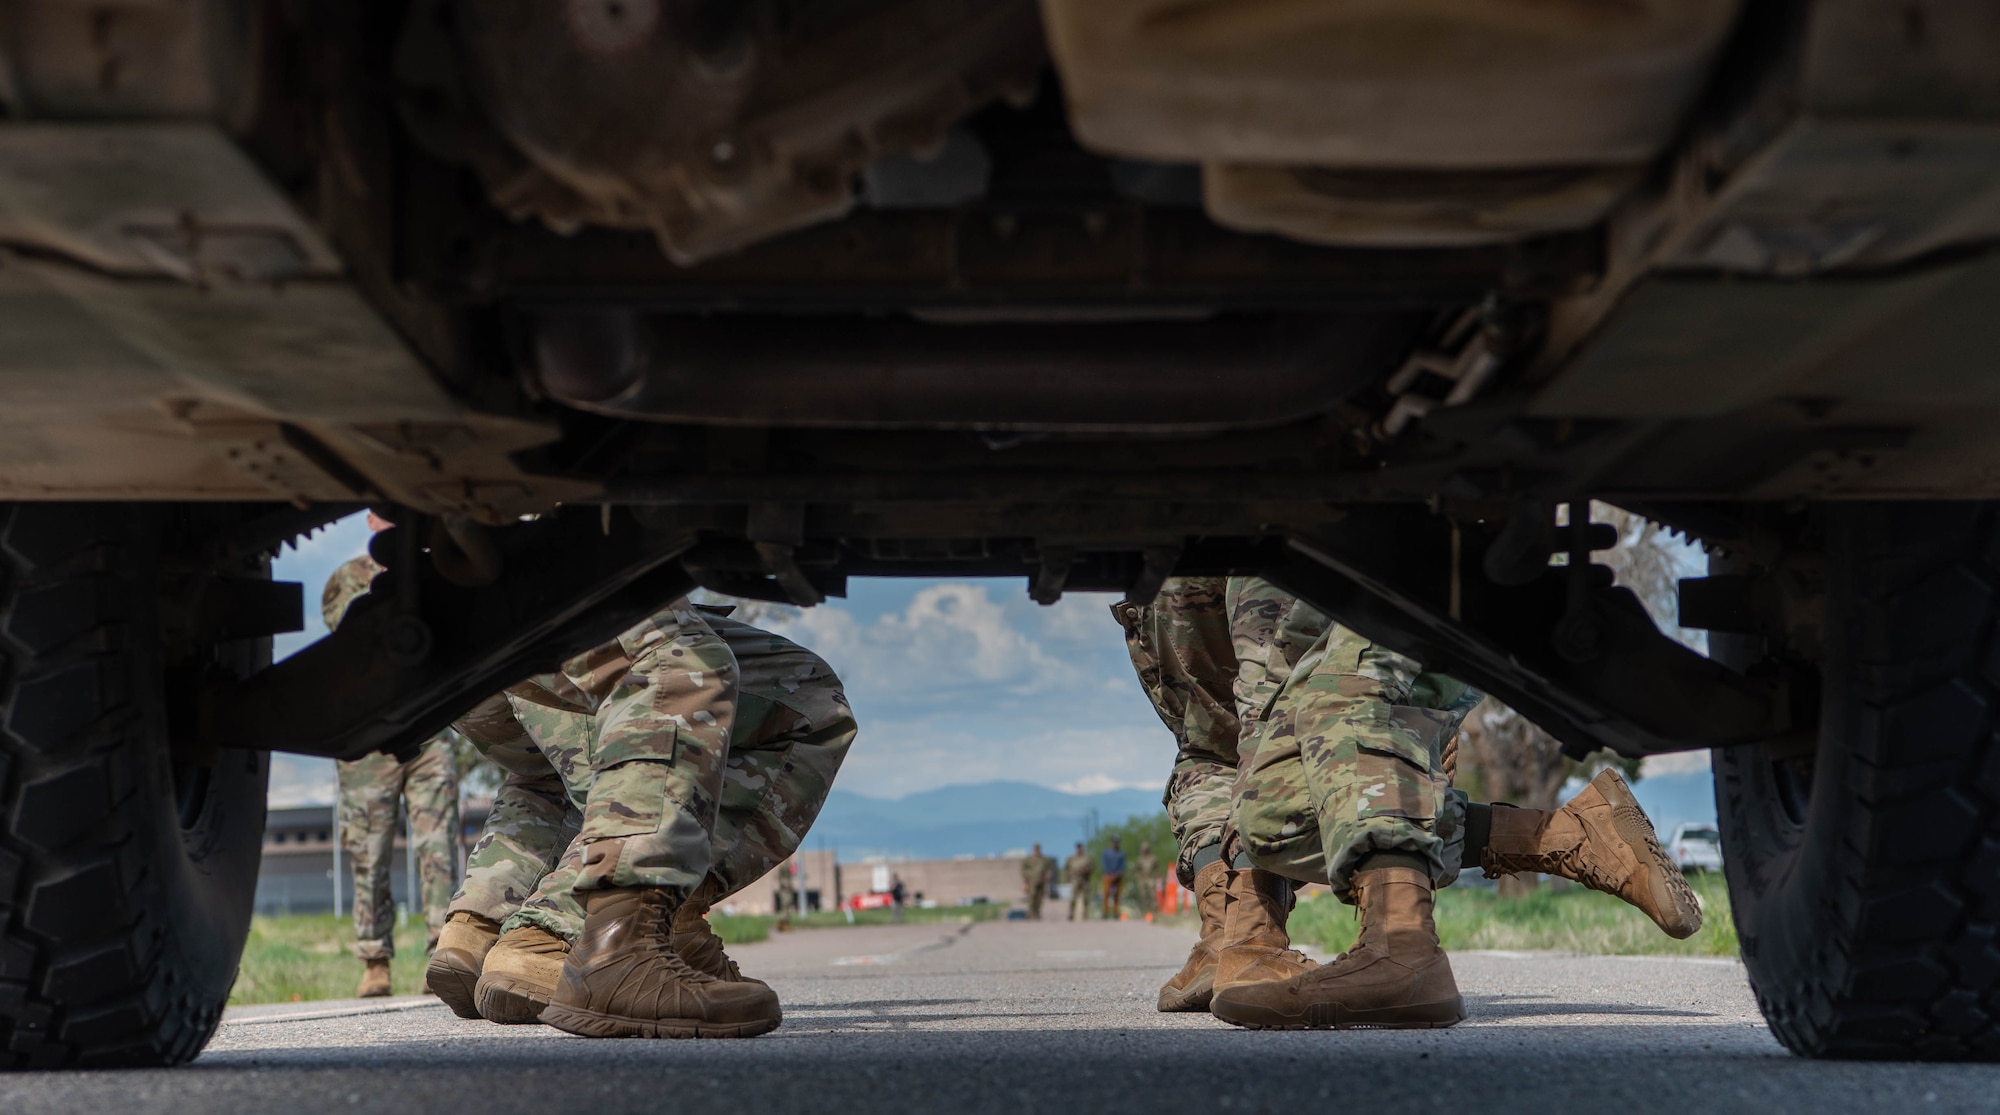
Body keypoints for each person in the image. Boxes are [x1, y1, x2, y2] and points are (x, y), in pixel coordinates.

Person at [1117, 576, 1702, 1027]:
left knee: (1340, 708)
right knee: (1273, 815)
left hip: (1417, 515)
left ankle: (1402, 947)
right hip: (1262, 499)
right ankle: (1570, 835)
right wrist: (1246, 942)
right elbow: (1250, 717)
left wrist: (1408, 742)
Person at [423, 600, 856, 1037]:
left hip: (444, 636)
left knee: (554, 769)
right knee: (781, 693)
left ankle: (479, 926)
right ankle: (574, 936)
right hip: (538, 592)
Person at [323, 512, 460, 999]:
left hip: (430, 732)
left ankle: (445, 951)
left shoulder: (439, 572)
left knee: (437, 844)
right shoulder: (350, 578)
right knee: (370, 850)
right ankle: (374, 960)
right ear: (370, 517)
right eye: (386, 513)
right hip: (370, 741)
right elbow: (349, 642)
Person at [1020, 843, 1056, 919]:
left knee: (1039, 899)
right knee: (1032, 898)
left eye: (1037, 849)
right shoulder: (1028, 860)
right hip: (1032, 882)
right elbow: (1023, 870)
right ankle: (1030, 915)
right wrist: (1027, 879)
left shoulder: (1044, 859)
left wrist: (1048, 875)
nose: (1036, 850)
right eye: (1035, 849)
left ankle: (1037, 914)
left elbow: (1050, 869)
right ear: (1033, 849)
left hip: (1041, 881)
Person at [1063, 842, 1094, 921]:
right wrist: (1069, 876)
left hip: (1085, 880)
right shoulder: (1071, 858)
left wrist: (1088, 870)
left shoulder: (1087, 858)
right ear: (1076, 849)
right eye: (1078, 847)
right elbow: (1066, 868)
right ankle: (1071, 914)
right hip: (1075, 880)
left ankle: (1085, 915)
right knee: (1073, 898)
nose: (1079, 849)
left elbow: (1092, 867)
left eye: (1080, 847)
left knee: (1086, 898)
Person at [1131, 842, 1162, 915]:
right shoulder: (1139, 859)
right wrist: (1138, 877)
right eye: (1143, 849)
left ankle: (1154, 911)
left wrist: (1155, 875)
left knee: (1152, 895)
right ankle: (1144, 911)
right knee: (1143, 895)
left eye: (1145, 849)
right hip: (1142, 879)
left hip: (1151, 878)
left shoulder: (1153, 858)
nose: (1144, 850)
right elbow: (1137, 870)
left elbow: (1157, 868)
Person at [1099, 837, 1126, 919]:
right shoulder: (1105, 853)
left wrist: (1118, 873)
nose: (1115, 843)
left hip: (1118, 877)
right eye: (1114, 842)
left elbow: (1123, 866)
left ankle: (1115, 913)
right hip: (1107, 876)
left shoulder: (1121, 854)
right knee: (1106, 894)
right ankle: (1105, 913)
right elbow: (1104, 864)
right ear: (1111, 843)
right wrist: (1109, 873)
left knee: (1117, 895)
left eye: (1117, 842)